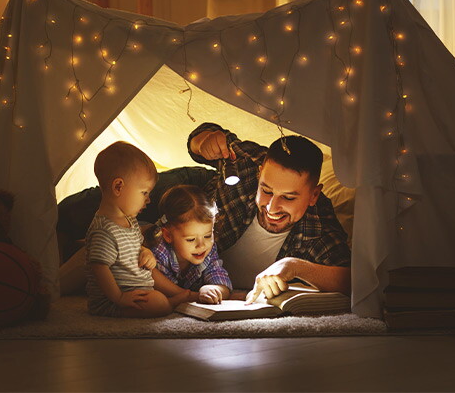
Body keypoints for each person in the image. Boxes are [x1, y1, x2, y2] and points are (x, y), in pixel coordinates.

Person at [187, 123, 351, 303]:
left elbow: (352, 280)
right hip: (193, 187)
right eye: (266, 191)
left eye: (288, 198)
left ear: (314, 195)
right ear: (259, 173)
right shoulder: (247, 163)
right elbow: (200, 139)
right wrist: (204, 141)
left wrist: (294, 266)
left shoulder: (319, 225)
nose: (272, 208)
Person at [85, 141, 189, 318]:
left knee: (155, 297)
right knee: (157, 303)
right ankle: (169, 304)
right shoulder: (104, 231)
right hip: (113, 301)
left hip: (137, 290)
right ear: (118, 187)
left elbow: (132, 248)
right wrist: (119, 297)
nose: (148, 200)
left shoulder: (130, 221)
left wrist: (145, 251)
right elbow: (99, 268)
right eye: (144, 192)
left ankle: (168, 300)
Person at [147, 185, 233, 304]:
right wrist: (192, 295)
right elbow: (152, 280)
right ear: (168, 236)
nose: (201, 245)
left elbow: (218, 275)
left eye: (207, 236)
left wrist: (214, 289)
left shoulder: (208, 249)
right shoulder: (159, 250)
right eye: (191, 239)